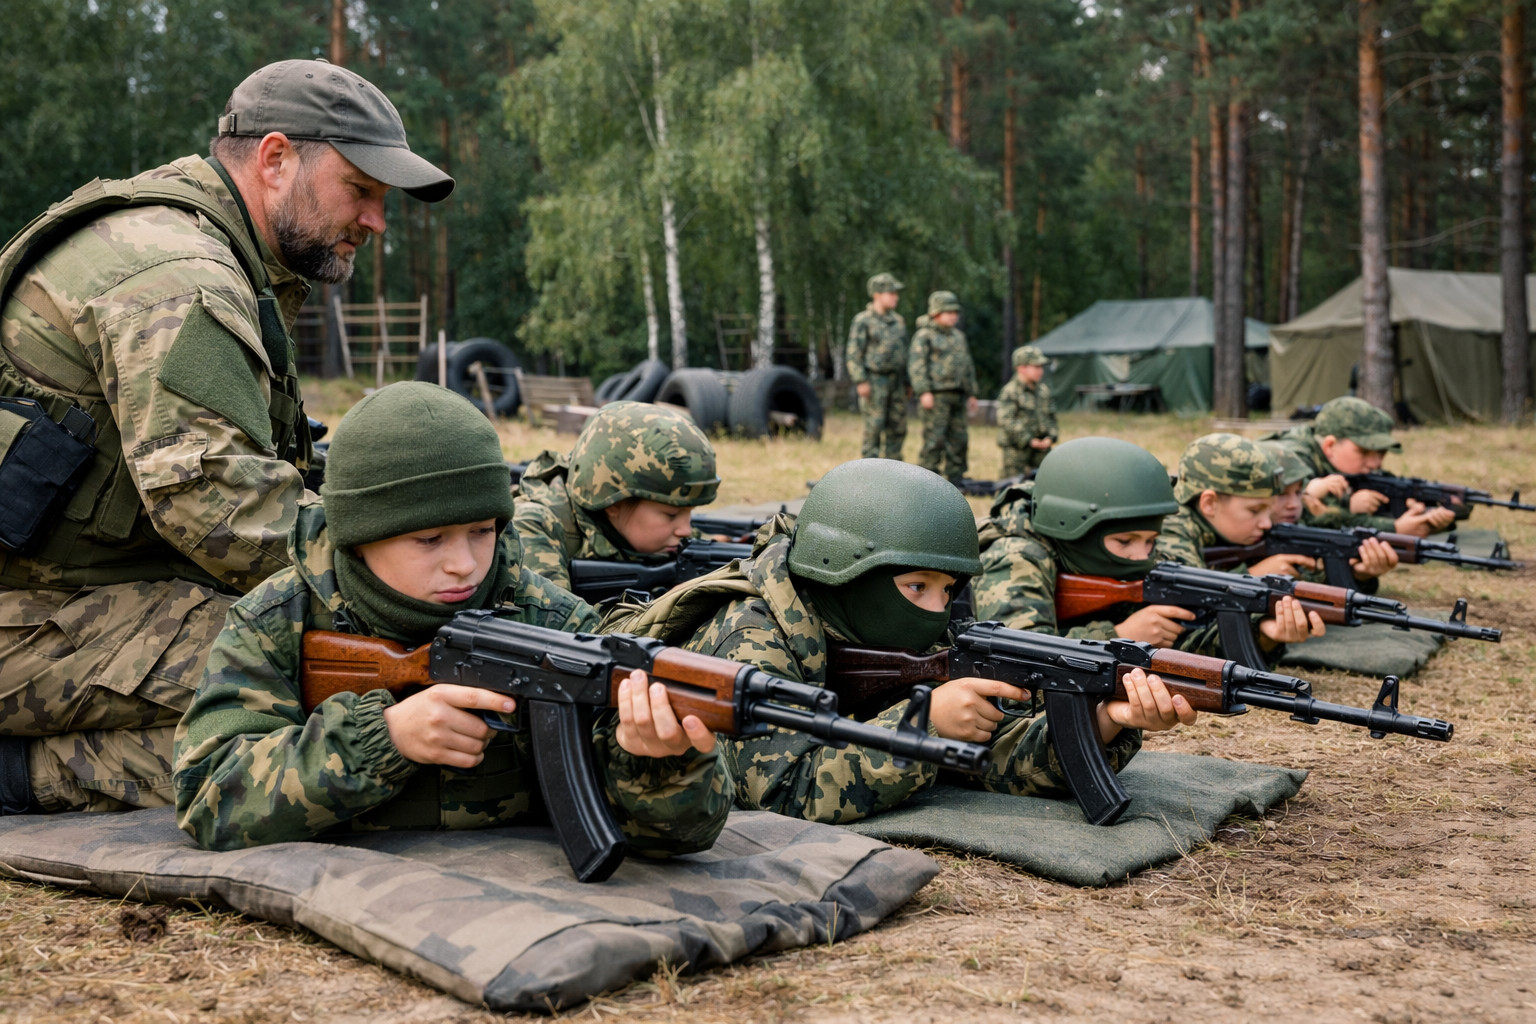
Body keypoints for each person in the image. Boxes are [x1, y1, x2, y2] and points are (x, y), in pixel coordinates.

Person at [0, 59, 452, 816]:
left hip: (64, 593)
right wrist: (400, 577)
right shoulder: (179, 277)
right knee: (321, 679)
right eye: (362, 190)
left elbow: (251, 468)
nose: (377, 220)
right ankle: (26, 774)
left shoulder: (213, 249)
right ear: (276, 159)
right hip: (26, 616)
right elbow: (221, 510)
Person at [174, 382, 729, 854]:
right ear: (358, 537)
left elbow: (680, 835)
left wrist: (658, 765)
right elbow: (208, 795)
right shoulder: (279, 620)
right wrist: (383, 739)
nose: (463, 564)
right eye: (429, 539)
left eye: (483, 531)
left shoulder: (553, 622)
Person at [604, 458, 1194, 824]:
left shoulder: (915, 639)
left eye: (949, 589)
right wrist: (923, 727)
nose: (938, 612)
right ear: (846, 572)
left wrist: (1104, 721)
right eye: (917, 587)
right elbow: (784, 789)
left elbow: (994, 760)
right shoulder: (757, 631)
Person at [972, 437, 1319, 658]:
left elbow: (1181, 643)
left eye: (1151, 541)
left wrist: (1262, 634)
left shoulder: (1132, 568)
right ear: (1074, 528)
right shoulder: (1016, 556)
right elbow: (1018, 656)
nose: (1143, 557)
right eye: (1125, 541)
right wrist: (1120, 635)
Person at [511, 401, 719, 591]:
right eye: (671, 515)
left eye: (689, 513)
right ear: (613, 503)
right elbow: (559, 623)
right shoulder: (534, 528)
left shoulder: (650, 533)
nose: (686, 530)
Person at [1266, 396, 1455, 537]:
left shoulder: (1345, 464)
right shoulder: (1291, 458)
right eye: (1364, 452)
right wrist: (1395, 528)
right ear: (1330, 446)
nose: (1375, 463)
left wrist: (1422, 508)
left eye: (1381, 453)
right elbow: (1311, 516)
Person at [1262, 441, 1398, 589]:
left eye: (1298, 492)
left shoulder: (1303, 521)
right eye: (1282, 494)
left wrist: (1358, 575)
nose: (1294, 504)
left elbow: (1312, 584)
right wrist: (1250, 574)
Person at [908, 291, 979, 485]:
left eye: (955, 312)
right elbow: (917, 365)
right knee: (934, 438)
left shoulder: (958, 337)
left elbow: (967, 365)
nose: (953, 315)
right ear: (936, 313)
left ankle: (956, 477)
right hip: (936, 395)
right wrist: (923, 391)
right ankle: (927, 478)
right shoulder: (925, 336)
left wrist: (972, 393)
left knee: (959, 438)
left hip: (958, 395)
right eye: (948, 312)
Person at [846, 272, 909, 461]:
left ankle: (895, 471)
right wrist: (861, 380)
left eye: (896, 293)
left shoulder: (898, 321)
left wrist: (907, 382)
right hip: (874, 381)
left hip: (896, 382)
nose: (895, 297)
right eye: (891, 293)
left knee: (898, 427)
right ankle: (870, 473)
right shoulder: (863, 320)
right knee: (874, 427)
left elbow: (903, 352)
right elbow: (853, 353)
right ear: (877, 295)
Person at [995, 344, 1058, 478]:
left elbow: (1051, 417)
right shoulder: (1010, 392)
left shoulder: (1043, 391)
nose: (1040, 371)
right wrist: (1029, 439)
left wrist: (1050, 437)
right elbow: (1006, 421)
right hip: (1017, 448)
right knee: (1012, 486)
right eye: (1036, 366)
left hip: (1041, 448)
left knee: (1046, 481)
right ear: (1021, 368)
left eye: (1041, 367)